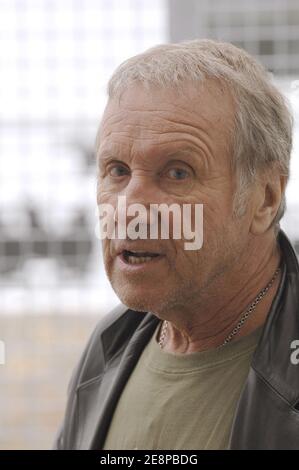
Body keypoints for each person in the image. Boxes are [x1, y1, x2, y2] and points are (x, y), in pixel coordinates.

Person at [53, 39, 299, 450]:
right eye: (117, 170)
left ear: (266, 197)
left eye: (178, 173)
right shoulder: (109, 346)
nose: (131, 208)